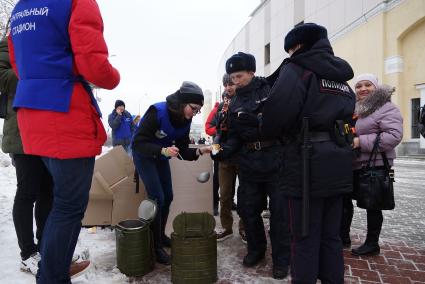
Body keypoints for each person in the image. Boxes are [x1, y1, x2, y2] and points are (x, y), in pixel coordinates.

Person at [8, 0, 120, 282]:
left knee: (57, 201)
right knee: (69, 206)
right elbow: (94, 66)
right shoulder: (77, 2)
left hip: (31, 115)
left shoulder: (21, 7)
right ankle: (51, 277)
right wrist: (114, 77)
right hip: (64, 114)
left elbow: (17, 63)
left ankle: (53, 272)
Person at [261, 23, 356, 283]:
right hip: (337, 161)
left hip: (306, 164)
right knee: (331, 236)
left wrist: (263, 126)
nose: (290, 55)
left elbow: (275, 116)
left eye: (291, 49)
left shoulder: (298, 70)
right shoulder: (341, 77)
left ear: (300, 46)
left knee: (304, 237)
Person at [213, 52, 290, 279]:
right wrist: (224, 150)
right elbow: (235, 135)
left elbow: (283, 123)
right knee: (248, 210)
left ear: (251, 72)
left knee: (279, 214)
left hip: (275, 159)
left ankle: (282, 259)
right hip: (248, 162)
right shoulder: (234, 101)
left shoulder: (269, 89)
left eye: (239, 76)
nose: (235, 81)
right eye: (232, 77)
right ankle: (256, 250)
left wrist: (257, 121)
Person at [132, 81, 212, 265]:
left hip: (161, 155)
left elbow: (183, 148)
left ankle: (160, 236)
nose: (195, 113)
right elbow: (138, 143)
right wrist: (162, 151)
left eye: (198, 110)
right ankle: (155, 246)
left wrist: (200, 151)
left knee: (168, 196)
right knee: (157, 197)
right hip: (144, 155)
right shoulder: (157, 112)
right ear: (183, 102)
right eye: (194, 108)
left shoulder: (186, 119)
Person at [0, 37, 54, 275]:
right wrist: (33, 69)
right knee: (27, 192)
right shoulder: (9, 43)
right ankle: (28, 254)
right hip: (21, 131)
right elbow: (3, 78)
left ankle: (45, 246)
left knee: (47, 191)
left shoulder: (47, 43)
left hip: (48, 130)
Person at [341, 74, 403, 256]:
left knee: (372, 205)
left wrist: (361, 142)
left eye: (368, 85)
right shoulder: (355, 109)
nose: (363, 89)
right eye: (359, 86)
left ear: (375, 87)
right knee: (344, 200)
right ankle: (343, 236)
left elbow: (394, 136)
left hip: (375, 164)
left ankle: (372, 243)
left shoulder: (386, 108)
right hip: (353, 163)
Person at [211, 74, 245, 242]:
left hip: (242, 155)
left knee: (244, 194)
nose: (228, 87)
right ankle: (226, 228)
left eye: (231, 84)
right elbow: (216, 129)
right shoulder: (222, 105)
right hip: (225, 157)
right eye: (225, 85)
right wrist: (216, 148)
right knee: (224, 195)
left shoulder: (245, 100)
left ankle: (245, 228)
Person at [205, 101, 220, 216]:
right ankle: (214, 204)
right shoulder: (216, 109)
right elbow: (208, 129)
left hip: (234, 145)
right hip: (217, 144)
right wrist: (221, 130)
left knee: (233, 176)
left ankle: (230, 202)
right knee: (218, 176)